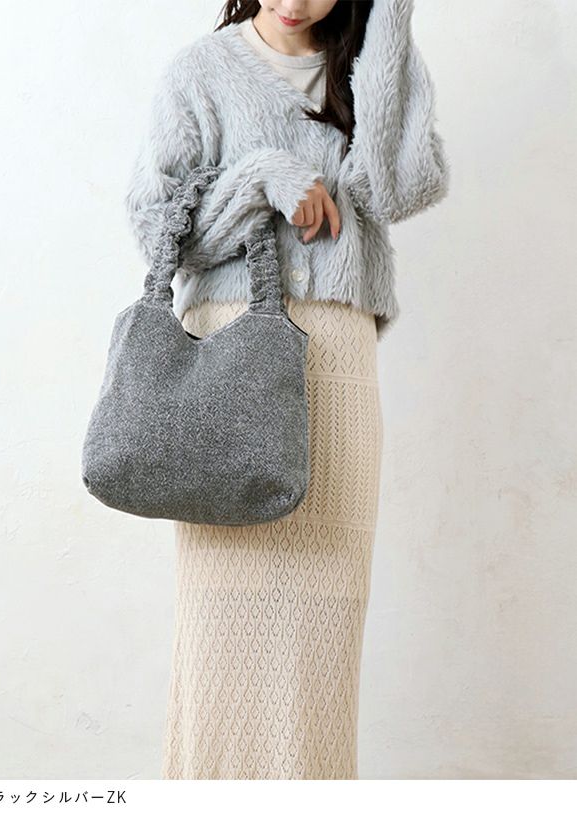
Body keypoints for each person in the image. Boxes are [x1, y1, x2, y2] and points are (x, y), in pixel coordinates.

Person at [125, 0, 450, 780]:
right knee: (222, 611)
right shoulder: (200, 72)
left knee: (326, 611)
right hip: (228, 349)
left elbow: (400, 189)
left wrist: (390, 26)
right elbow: (158, 229)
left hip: (336, 357)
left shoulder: (373, 59)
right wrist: (260, 179)